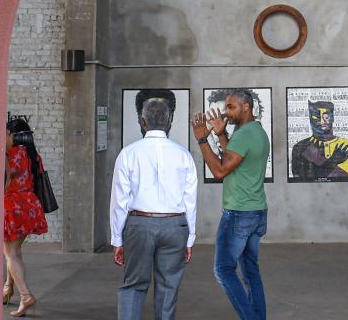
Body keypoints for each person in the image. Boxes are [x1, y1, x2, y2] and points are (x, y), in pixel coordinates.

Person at [111, 97, 198, 320]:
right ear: (169, 122)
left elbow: (120, 201)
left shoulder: (128, 154)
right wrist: (189, 239)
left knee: (133, 286)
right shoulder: (183, 155)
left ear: (143, 122)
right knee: (168, 288)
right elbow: (190, 201)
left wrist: (117, 240)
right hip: (175, 225)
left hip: (139, 225)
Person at [192, 89, 270, 320]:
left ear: (246, 106)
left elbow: (220, 170)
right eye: (226, 107)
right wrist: (222, 134)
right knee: (250, 272)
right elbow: (232, 159)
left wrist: (202, 138)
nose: (227, 112)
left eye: (231, 107)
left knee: (223, 270)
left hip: (239, 214)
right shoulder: (256, 132)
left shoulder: (245, 134)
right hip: (256, 211)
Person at [3, 117, 49, 317]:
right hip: (30, 206)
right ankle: (7, 288)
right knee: (14, 251)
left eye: (6, 133)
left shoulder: (9, 155)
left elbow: (4, 183)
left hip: (13, 207)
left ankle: (25, 295)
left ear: (13, 135)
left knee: (10, 253)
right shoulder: (32, 155)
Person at [290, 100, 348, 181]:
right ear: (310, 118)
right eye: (316, 117)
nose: (322, 121)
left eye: (326, 117)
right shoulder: (300, 147)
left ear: (333, 117)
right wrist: (332, 162)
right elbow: (299, 181)